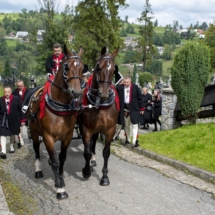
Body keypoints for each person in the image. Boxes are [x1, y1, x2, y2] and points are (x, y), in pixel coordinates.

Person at [117, 75, 144, 147]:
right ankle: (128, 139)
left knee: (135, 125)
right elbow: (115, 91)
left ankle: (134, 141)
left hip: (134, 109)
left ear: (130, 82)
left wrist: (142, 108)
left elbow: (140, 98)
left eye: (127, 82)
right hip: (124, 109)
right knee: (127, 125)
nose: (126, 84)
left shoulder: (135, 87)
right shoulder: (120, 87)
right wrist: (120, 84)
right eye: (125, 82)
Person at [0, 87, 25, 159]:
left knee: (12, 133)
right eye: (5, 92)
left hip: (14, 120)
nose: (7, 93)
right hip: (3, 120)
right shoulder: (1, 100)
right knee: (2, 134)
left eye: (8, 92)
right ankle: (3, 151)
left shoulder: (16, 99)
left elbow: (21, 109)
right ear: (4, 92)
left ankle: (11, 147)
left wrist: (22, 120)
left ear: (10, 92)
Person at [12, 80, 30, 147]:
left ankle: (30, 135)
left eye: (21, 86)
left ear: (23, 85)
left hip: (27, 110)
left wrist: (24, 110)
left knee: (28, 125)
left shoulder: (28, 91)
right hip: (18, 111)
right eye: (18, 86)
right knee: (20, 127)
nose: (19, 87)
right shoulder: (14, 92)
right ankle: (20, 139)